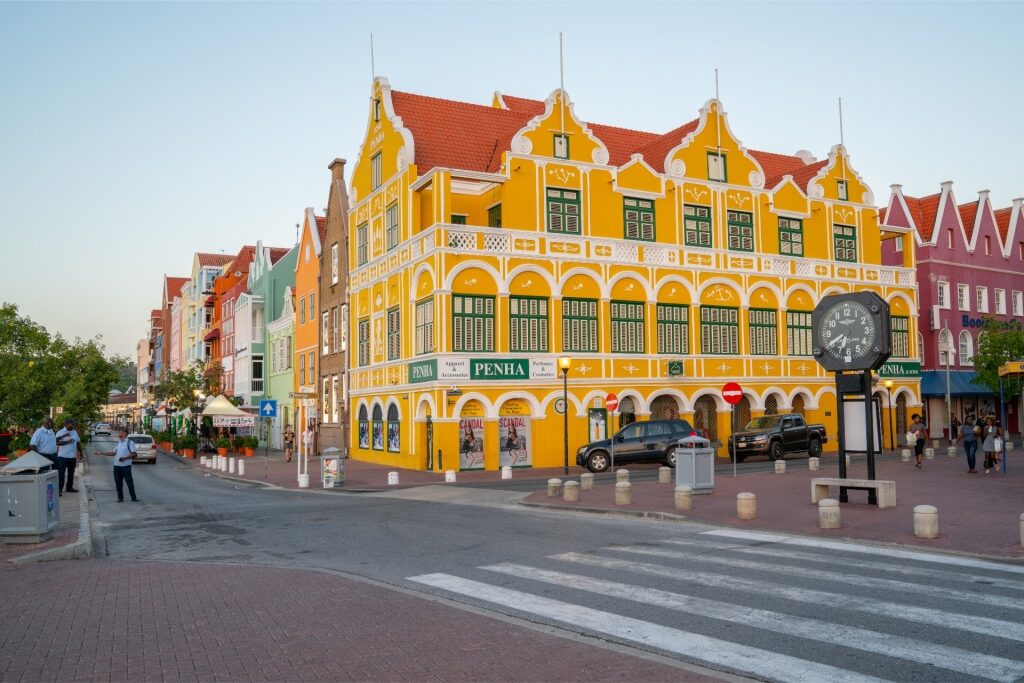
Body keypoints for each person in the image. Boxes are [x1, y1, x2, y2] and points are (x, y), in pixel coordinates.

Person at [98, 427, 139, 502]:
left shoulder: (129, 442)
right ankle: (120, 498)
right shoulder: (118, 443)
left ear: (124, 434)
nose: (118, 434)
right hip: (117, 466)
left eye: (120, 432)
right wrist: (102, 453)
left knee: (129, 482)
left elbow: (134, 454)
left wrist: (125, 458)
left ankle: (133, 497)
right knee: (118, 483)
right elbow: (113, 453)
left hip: (126, 466)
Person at [55, 418, 83, 494]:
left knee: (71, 473)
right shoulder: (60, 432)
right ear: (67, 424)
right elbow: (56, 443)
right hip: (62, 457)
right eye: (72, 424)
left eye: (74, 424)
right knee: (61, 473)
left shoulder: (74, 432)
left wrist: (81, 452)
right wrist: (67, 442)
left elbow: (78, 443)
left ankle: (69, 487)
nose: (74, 426)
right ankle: (59, 489)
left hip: (72, 457)